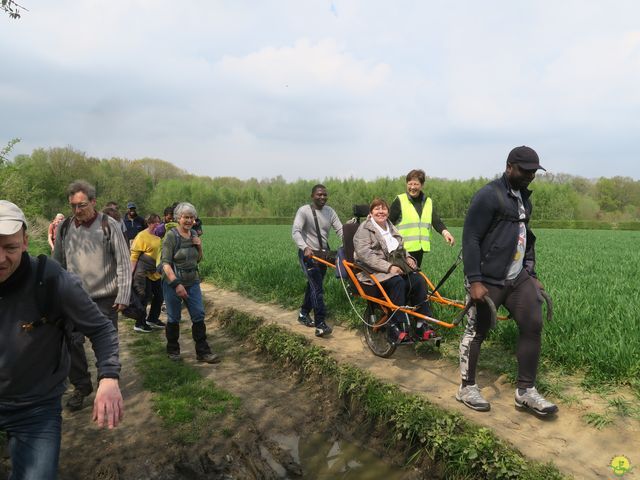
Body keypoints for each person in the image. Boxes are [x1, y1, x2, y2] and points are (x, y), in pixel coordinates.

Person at [0, 200, 123, 479]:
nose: (0, 259)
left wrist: (108, 378)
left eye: (9, 247)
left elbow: (102, 330)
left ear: (25, 242)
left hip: (34, 407)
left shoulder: (52, 281)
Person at [456, 146, 558, 416]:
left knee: (533, 323)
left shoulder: (524, 199)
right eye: (525, 170)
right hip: (488, 278)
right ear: (509, 166)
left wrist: (531, 274)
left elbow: (527, 237)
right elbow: (471, 239)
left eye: (534, 172)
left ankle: (525, 391)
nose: (530, 176)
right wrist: (475, 280)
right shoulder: (489, 195)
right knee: (478, 330)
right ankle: (466, 387)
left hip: (517, 277)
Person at [53, 180, 131, 412]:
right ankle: (81, 386)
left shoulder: (110, 225)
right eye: (73, 206)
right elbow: (58, 264)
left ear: (93, 202)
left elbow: (124, 262)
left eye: (82, 205)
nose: (77, 210)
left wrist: (124, 294)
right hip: (74, 298)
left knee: (105, 345)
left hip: (105, 299)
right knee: (71, 344)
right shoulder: (65, 228)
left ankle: (105, 384)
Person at [353, 198, 434, 342]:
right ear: (371, 212)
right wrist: (389, 267)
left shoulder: (391, 227)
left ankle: (421, 324)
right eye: (377, 209)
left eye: (383, 208)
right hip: (373, 271)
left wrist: (409, 259)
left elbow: (401, 249)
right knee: (398, 282)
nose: (380, 212)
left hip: (395, 268)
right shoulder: (365, 229)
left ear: (388, 212)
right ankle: (395, 327)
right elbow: (365, 255)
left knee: (418, 280)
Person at [161, 202, 220, 363]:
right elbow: (165, 263)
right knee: (174, 317)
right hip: (173, 282)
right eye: (185, 217)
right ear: (178, 218)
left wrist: (199, 246)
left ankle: (203, 352)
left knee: (199, 314)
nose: (188, 220)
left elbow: (198, 259)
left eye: (191, 217)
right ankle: (173, 350)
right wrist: (176, 284)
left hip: (192, 281)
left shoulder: (194, 233)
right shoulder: (171, 236)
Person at [292, 184, 343, 337]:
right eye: (319, 194)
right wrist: (304, 247)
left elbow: (340, 229)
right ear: (312, 196)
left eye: (324, 195)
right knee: (317, 288)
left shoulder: (330, 212)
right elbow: (296, 231)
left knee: (313, 285)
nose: (322, 197)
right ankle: (320, 323)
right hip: (308, 254)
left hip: (324, 254)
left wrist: (347, 244)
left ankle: (303, 313)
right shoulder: (304, 211)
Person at [389, 169, 455, 269]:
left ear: (422, 185)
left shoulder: (428, 202)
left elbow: (436, 220)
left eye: (416, 184)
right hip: (402, 250)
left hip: (419, 249)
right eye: (410, 184)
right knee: (404, 279)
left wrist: (446, 233)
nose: (412, 187)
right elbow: (388, 222)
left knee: (414, 276)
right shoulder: (400, 200)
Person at [130, 213, 165, 332]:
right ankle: (140, 323)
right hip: (143, 272)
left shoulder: (160, 235)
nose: (157, 224)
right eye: (155, 222)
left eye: (158, 222)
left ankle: (152, 319)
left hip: (155, 271)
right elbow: (134, 256)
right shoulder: (142, 236)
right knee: (144, 297)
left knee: (160, 296)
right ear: (149, 223)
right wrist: (131, 273)